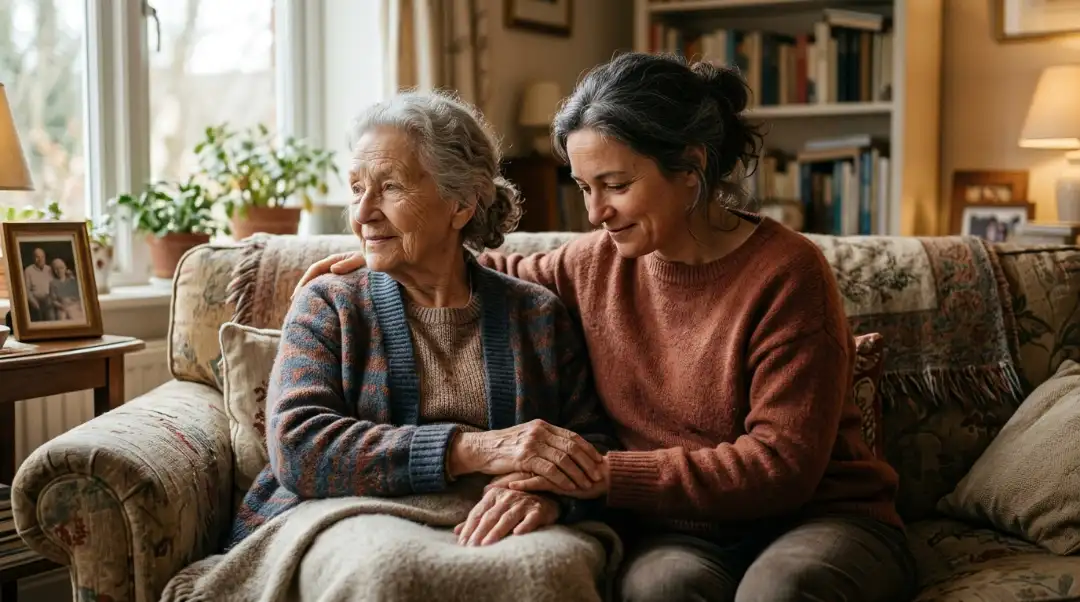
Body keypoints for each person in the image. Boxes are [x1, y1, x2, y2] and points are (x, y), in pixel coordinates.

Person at [296, 52, 916, 602]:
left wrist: (598, 475)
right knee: (657, 587)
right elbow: (479, 270)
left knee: (780, 589)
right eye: (584, 188)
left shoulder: (787, 273)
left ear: (691, 169)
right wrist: (392, 248)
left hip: (817, 518)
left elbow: (780, 467)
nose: (595, 213)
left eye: (616, 186)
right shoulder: (594, 261)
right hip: (679, 533)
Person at [229, 90, 615, 552]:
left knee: (553, 565)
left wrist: (548, 498)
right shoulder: (330, 303)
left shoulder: (536, 315)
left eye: (389, 187)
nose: (363, 213)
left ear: (461, 204)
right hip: (347, 517)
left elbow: (591, 448)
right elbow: (298, 445)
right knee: (390, 565)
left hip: (490, 523)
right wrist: (473, 449)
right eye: (356, 188)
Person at [23, 247, 55, 321]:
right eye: (37, 257)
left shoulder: (49, 269)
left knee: (51, 315)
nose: (40, 259)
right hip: (36, 300)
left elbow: (55, 286)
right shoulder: (28, 270)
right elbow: (27, 290)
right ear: (33, 258)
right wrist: (34, 302)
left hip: (49, 300)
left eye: (42, 257)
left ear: (45, 258)